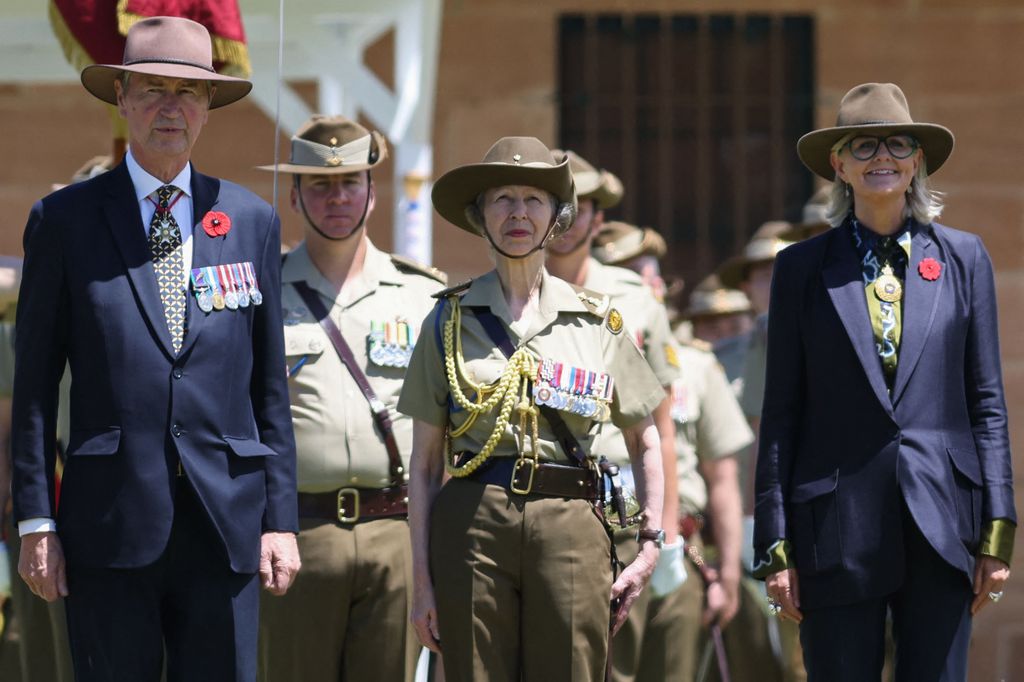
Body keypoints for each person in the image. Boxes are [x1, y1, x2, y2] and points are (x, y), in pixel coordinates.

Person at [11, 17, 299, 681]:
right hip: (107, 526)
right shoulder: (65, 222)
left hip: (225, 525)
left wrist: (279, 520)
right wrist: (34, 520)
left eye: (189, 92)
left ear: (208, 108)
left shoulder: (251, 222)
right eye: (152, 89)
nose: (171, 106)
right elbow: (31, 389)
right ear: (121, 98)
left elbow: (269, 392)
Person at [754, 82, 1016, 680]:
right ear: (839, 166)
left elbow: (987, 403)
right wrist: (775, 545)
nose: (883, 158)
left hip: (943, 518)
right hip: (834, 526)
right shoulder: (799, 268)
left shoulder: (964, 257)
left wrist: (997, 532)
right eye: (864, 145)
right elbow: (781, 413)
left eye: (897, 143)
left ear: (917, 160)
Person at [398, 137, 667, 682]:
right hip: (473, 521)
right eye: (502, 198)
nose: (518, 212)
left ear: (557, 218)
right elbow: (424, 465)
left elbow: (646, 438)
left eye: (533, 199)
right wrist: (422, 582)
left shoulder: (597, 320)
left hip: (570, 522)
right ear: (480, 216)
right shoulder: (447, 320)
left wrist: (651, 545)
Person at [256, 115, 446, 682]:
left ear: (371, 192)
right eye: (319, 184)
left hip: (398, 534)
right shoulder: (260, 290)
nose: (336, 196)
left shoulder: (423, 295)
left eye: (350, 183)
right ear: (294, 195)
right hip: (297, 534)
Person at [545, 156, 684, 682]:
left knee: (616, 664)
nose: (565, 220)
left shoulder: (635, 301)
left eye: (578, 209)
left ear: (598, 219)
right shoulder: (512, 294)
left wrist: (664, 532)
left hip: (620, 503)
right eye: (556, 206)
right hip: (541, 497)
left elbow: (661, 428)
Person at [593, 221, 751, 681]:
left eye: (653, 278)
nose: (649, 288)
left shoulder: (698, 368)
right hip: (605, 536)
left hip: (683, 545)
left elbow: (722, 478)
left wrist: (728, 577)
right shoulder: (579, 362)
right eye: (634, 276)